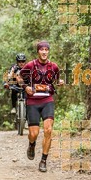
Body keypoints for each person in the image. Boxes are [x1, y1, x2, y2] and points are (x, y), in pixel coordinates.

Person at [20, 40, 62, 172]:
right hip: (32, 101)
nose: (44, 52)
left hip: (47, 100)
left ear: (48, 51)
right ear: (38, 51)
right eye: (41, 49)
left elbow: (56, 80)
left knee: (48, 130)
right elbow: (19, 78)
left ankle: (43, 160)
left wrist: (59, 82)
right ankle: (31, 144)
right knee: (34, 133)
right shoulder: (30, 65)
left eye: (46, 50)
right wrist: (26, 87)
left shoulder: (54, 67)